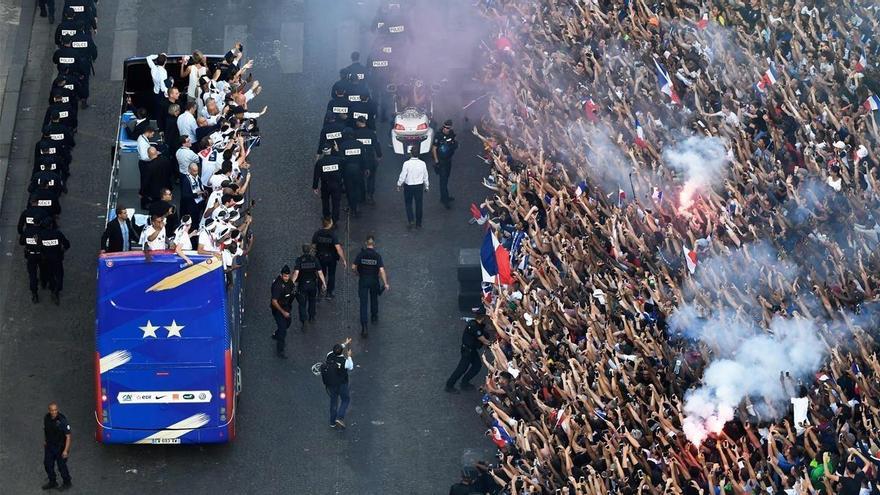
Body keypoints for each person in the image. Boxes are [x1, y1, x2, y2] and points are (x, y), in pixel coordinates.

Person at [444, 307, 491, 393]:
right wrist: (493, 345)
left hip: (472, 350)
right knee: (461, 369)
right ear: (483, 317)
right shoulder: (474, 326)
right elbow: (483, 340)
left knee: (477, 366)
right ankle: (449, 385)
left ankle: (464, 383)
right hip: (467, 351)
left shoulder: (478, 325)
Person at [351, 235, 389, 337]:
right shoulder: (377, 256)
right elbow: (381, 270)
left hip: (363, 280)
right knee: (374, 298)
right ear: (374, 244)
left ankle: (364, 327)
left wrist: (357, 273)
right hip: (374, 280)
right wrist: (385, 283)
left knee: (363, 304)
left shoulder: (361, 254)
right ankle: (374, 316)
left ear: (365, 243)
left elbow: (353, 267)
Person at [291, 244, 326, 331]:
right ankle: (312, 317)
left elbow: (296, 273)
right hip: (312, 284)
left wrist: (291, 283)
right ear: (310, 250)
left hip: (302, 285)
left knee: (302, 304)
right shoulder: (314, 259)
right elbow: (320, 272)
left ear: (302, 250)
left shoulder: (300, 260)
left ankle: (304, 321)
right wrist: (324, 283)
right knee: (312, 300)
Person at [312, 218, 347, 299]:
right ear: (330, 224)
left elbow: (313, 247)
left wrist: (312, 257)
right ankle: (329, 293)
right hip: (331, 258)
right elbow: (338, 248)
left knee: (321, 274)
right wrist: (344, 260)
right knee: (331, 275)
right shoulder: (333, 235)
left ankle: (319, 292)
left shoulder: (317, 233)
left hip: (320, 257)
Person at [323, 339, 354, 429]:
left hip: (331, 383)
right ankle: (340, 417)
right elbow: (351, 367)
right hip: (342, 384)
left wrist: (345, 343)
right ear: (341, 352)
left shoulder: (329, 355)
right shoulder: (344, 361)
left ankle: (332, 422)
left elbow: (337, 349)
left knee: (333, 401)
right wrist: (349, 356)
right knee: (345, 399)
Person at [396, 145, 429, 229]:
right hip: (419, 186)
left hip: (408, 186)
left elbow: (403, 175)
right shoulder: (422, 163)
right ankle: (418, 223)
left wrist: (399, 184)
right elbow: (425, 176)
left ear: (411, 154)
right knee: (419, 204)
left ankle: (411, 220)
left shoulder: (406, 164)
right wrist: (427, 186)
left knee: (408, 204)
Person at [39, 217, 69, 305]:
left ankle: (52, 289)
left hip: (46, 259)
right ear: (51, 225)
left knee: (50, 274)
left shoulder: (41, 235)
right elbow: (67, 244)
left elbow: (39, 246)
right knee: (59, 274)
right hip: (57, 258)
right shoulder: (57, 234)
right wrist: (62, 250)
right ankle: (57, 289)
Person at [42, 402, 72, 491]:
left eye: (55, 410)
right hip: (50, 446)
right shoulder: (46, 418)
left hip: (60, 447)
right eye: (52, 410)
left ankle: (67, 482)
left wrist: (66, 450)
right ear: (49, 410)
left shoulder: (62, 421)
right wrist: (45, 440)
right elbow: (45, 429)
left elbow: (68, 437)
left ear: (57, 410)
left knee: (61, 466)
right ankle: (52, 481)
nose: (54, 412)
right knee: (47, 464)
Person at [353, 116, 382, 204]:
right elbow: (377, 145)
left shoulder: (355, 133)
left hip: (359, 160)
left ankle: (361, 196)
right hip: (370, 159)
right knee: (371, 178)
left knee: (360, 178)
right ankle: (370, 195)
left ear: (358, 122)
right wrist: (379, 155)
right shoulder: (371, 133)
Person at [312, 145, 344, 223]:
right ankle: (335, 220)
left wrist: (315, 187)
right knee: (336, 203)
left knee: (325, 201)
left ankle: (326, 217)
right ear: (330, 150)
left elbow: (316, 176)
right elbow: (344, 162)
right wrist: (337, 151)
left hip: (325, 185)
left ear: (323, 152)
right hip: (336, 184)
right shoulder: (337, 160)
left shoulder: (320, 163)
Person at [431, 119, 458, 209]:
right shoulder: (438, 135)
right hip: (441, 161)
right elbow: (434, 148)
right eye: (445, 127)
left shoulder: (451, 133)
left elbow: (453, 142)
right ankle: (445, 200)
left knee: (446, 179)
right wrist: (436, 161)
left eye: (448, 128)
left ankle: (444, 197)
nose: (446, 129)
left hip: (448, 160)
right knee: (443, 181)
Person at [270, 265, 296, 359]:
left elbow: (292, 288)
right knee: (283, 330)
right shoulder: (277, 285)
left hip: (287, 307)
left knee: (288, 323)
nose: (286, 278)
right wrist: (283, 312)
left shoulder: (289, 282)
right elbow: (274, 301)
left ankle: (276, 334)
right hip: (278, 310)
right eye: (285, 276)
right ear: (281, 275)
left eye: (288, 276)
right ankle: (280, 350)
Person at [339, 128, 365, 217]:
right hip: (358, 169)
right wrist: (365, 169)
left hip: (347, 169)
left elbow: (341, 160)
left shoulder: (343, 145)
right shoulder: (359, 144)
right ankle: (357, 206)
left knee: (349, 189)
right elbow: (363, 158)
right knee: (357, 187)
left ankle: (351, 206)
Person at [20, 217, 45, 303]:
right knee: (43, 269)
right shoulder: (43, 231)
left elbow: (21, 242)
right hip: (41, 255)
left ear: (33, 222)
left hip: (31, 255)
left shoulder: (27, 231)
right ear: (40, 222)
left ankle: (34, 293)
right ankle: (44, 282)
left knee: (32, 275)